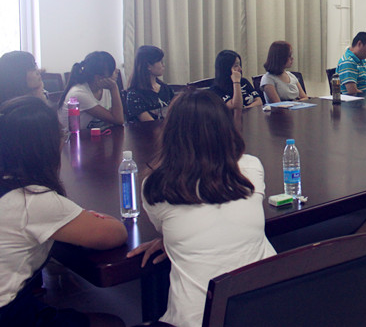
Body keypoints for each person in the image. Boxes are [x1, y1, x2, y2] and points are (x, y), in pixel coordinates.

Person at [126, 90, 277, 327]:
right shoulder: (250, 168)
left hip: (198, 320)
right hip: (269, 309)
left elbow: (166, 226)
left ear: (171, 133)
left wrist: (172, 238)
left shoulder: (156, 186)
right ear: (224, 127)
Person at [0, 97, 128, 327]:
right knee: (112, 323)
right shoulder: (33, 199)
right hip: (8, 315)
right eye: (60, 135)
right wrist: (92, 217)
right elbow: (116, 234)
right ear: (44, 147)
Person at [58, 51, 125, 130]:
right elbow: (118, 120)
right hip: (76, 137)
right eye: (112, 69)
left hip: (97, 136)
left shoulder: (105, 88)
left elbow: (115, 116)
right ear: (98, 77)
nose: (117, 71)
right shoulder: (79, 94)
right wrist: (114, 88)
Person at [126, 45, 175, 122]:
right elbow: (150, 123)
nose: (163, 65)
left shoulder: (166, 89)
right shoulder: (134, 95)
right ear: (148, 66)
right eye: (160, 62)